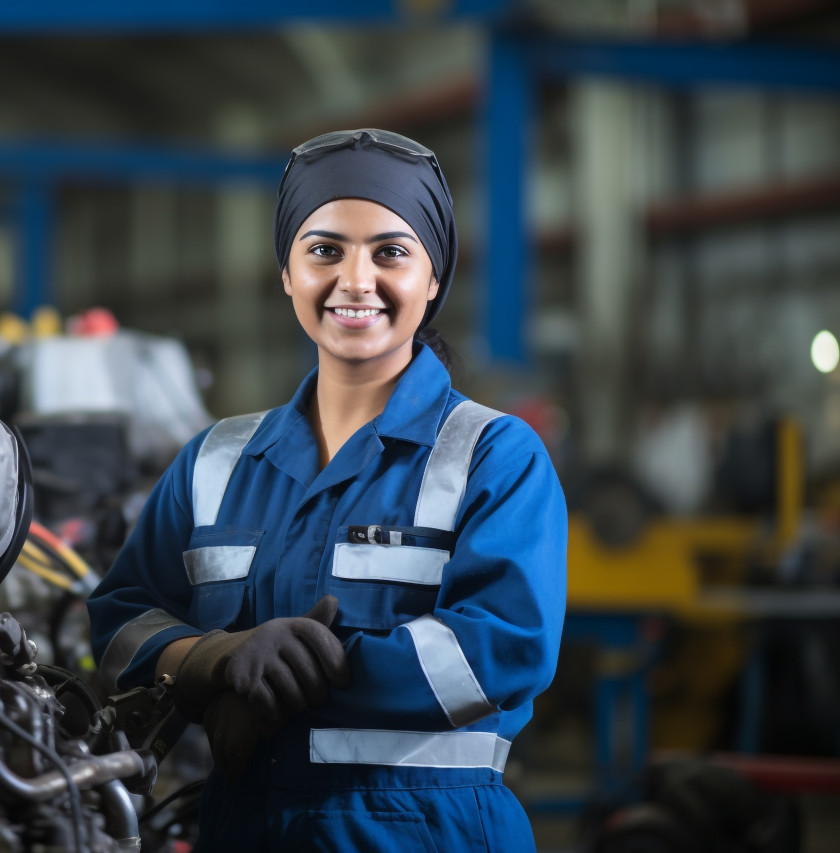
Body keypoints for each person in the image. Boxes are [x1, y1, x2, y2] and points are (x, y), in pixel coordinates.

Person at [87, 129, 567, 852]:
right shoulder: (215, 461)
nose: (355, 280)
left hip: (427, 833)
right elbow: (121, 619)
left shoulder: (493, 457)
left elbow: (502, 647)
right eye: (324, 250)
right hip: (242, 831)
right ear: (287, 272)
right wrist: (210, 658)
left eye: (390, 252)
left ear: (433, 278)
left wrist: (293, 675)